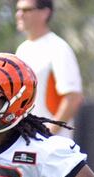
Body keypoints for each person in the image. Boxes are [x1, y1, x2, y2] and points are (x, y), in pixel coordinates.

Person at [14, 0, 83, 137]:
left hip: (51, 148)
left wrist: (48, 133)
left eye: (26, 10)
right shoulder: (22, 49)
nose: (19, 14)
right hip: (26, 140)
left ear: (45, 13)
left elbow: (73, 97)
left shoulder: (58, 48)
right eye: (18, 9)